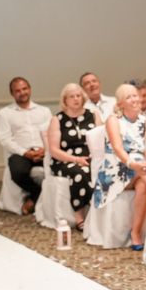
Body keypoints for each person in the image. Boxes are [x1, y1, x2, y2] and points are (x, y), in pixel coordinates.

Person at [93, 84, 146, 250]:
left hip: (140, 171)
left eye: (135, 95)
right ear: (120, 103)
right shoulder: (114, 120)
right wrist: (134, 164)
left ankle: (135, 233)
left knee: (144, 186)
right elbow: (117, 149)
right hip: (116, 169)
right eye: (129, 97)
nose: (135, 99)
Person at [48, 83, 102, 230]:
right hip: (65, 160)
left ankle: (98, 215)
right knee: (80, 172)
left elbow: (102, 139)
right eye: (72, 96)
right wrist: (76, 159)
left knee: (101, 170)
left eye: (78, 95)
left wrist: (95, 157)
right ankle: (80, 216)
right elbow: (53, 150)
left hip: (91, 158)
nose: (76, 99)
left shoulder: (93, 115)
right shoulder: (57, 119)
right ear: (65, 100)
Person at [0, 77, 52, 215]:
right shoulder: (5, 113)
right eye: (17, 90)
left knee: (59, 170)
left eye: (24, 89)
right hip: (20, 153)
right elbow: (5, 139)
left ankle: (36, 199)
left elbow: (52, 133)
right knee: (18, 172)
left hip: (43, 151)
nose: (22, 92)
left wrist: (45, 150)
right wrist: (26, 153)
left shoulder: (44, 111)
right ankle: (36, 193)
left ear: (30, 89)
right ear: (12, 94)